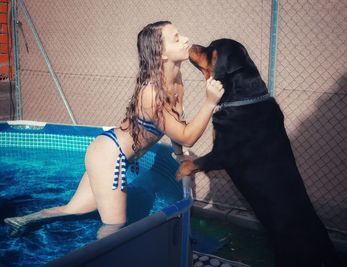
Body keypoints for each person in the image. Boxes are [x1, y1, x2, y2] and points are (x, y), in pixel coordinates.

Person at [4, 21, 224, 239]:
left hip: (105, 150)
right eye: (176, 38)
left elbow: (178, 125)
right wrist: (209, 102)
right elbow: (188, 136)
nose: (185, 39)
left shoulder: (176, 79)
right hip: (111, 156)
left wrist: (178, 154)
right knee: (114, 226)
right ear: (161, 53)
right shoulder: (151, 94)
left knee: (73, 209)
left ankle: (23, 221)